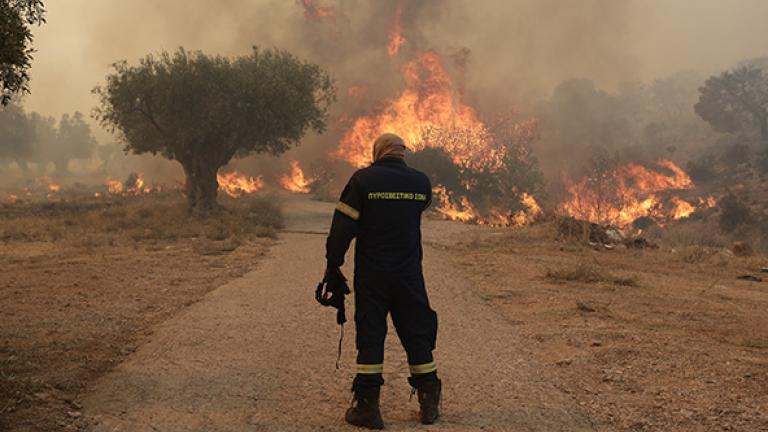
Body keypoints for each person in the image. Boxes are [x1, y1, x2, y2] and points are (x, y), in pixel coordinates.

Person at [324, 133, 441, 429]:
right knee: (416, 330)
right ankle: (429, 402)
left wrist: (333, 264)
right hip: (409, 274)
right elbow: (417, 210)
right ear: (403, 152)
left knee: (371, 333)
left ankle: (367, 407)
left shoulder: (363, 180)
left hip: (373, 274)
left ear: (378, 152)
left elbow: (343, 227)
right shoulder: (421, 182)